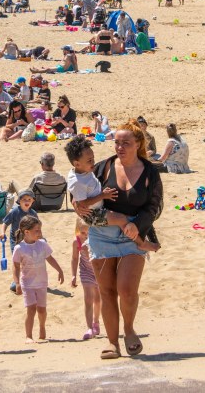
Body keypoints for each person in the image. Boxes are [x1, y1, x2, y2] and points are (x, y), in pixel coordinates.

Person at [74, 120, 162, 359]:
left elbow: (154, 206)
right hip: (101, 235)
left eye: (126, 143)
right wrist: (78, 206)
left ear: (138, 144)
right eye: (117, 142)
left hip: (132, 236)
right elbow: (83, 195)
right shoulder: (103, 168)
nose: (120, 147)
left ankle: (129, 330)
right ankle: (112, 342)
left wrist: (136, 225)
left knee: (127, 289)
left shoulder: (149, 172)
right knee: (107, 291)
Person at [65, 134, 160, 251]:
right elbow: (81, 200)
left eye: (93, 158)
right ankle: (141, 243)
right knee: (121, 219)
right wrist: (102, 196)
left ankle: (146, 238)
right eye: (90, 160)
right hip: (93, 214)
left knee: (133, 218)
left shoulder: (84, 170)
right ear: (77, 163)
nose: (93, 162)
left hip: (98, 210)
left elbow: (154, 204)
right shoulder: (79, 179)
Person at [13, 216, 64, 343]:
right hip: (28, 284)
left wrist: (60, 270)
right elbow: (15, 266)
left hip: (41, 283)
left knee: (42, 309)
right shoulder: (19, 248)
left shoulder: (42, 244)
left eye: (40, 230)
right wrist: (17, 283)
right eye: (37, 230)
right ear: (26, 232)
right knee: (31, 309)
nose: (40, 233)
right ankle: (28, 336)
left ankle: (42, 327)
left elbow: (50, 258)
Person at [71, 218, 101, 340]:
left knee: (98, 300)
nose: (86, 236)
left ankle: (96, 322)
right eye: (83, 233)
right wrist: (73, 275)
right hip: (86, 271)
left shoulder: (97, 239)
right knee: (88, 299)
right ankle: (89, 327)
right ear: (78, 231)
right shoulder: (77, 241)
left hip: (99, 271)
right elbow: (74, 258)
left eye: (88, 233)